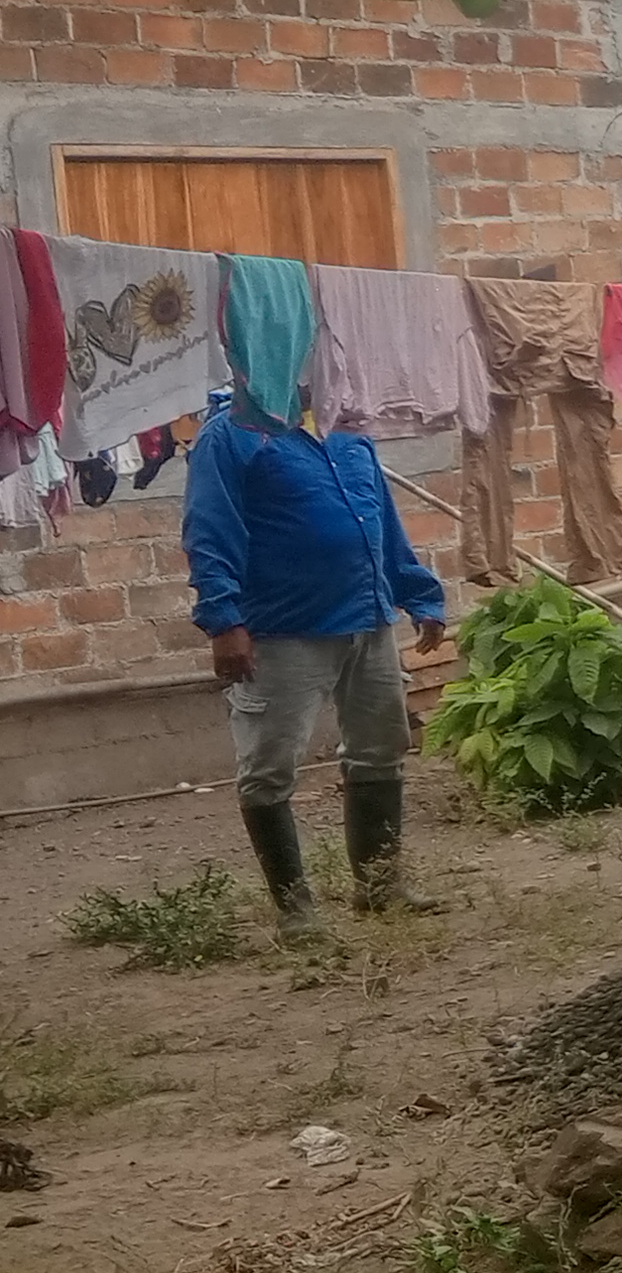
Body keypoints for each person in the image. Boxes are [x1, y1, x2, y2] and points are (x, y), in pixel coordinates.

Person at [181, 383, 451, 936]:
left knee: (380, 750)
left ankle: (379, 886)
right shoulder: (231, 434)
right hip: (283, 630)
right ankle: (295, 909)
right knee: (269, 767)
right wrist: (224, 620)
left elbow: (382, 525)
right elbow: (209, 529)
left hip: (367, 619)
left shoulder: (347, 430)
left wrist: (419, 593)